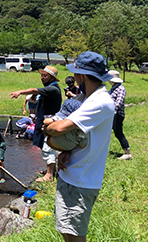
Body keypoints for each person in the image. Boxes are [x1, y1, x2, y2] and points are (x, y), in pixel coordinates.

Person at [43, 51, 115, 241]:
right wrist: (66, 150)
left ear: (81, 75)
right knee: (67, 232)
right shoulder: (85, 98)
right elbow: (82, 136)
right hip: (71, 173)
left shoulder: (99, 102)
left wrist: (47, 127)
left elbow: (58, 128)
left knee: (75, 236)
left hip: (81, 180)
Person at [10, 65, 62, 182]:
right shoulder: (50, 87)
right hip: (43, 121)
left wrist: (20, 92)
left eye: (45, 76)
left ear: (52, 78)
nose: (42, 78)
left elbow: (35, 90)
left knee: (47, 147)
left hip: (49, 123)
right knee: (44, 146)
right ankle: (50, 170)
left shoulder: (52, 89)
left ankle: (49, 175)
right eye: (41, 75)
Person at [108, 70, 132, 160]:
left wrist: (111, 110)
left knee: (118, 133)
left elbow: (118, 103)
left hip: (117, 114)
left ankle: (127, 153)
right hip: (112, 114)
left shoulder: (120, 89)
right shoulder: (114, 87)